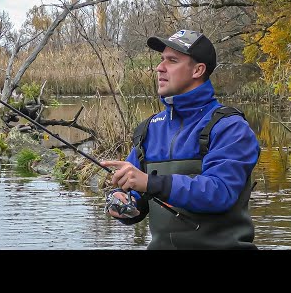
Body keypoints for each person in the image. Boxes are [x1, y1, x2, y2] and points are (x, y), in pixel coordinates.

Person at [101, 29, 260, 250]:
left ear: (198, 70)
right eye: (161, 60)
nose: (160, 68)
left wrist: (150, 182)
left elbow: (219, 191)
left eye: (172, 61)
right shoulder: (149, 130)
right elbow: (136, 197)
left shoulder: (230, 127)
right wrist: (121, 202)